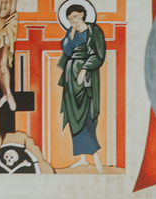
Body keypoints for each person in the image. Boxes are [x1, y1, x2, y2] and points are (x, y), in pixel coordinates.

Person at [58, 4, 107, 172]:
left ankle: (95, 155)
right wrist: (71, 34)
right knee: (74, 115)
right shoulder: (71, 33)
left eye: (75, 16)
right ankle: (83, 159)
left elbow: (99, 55)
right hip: (70, 76)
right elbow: (67, 51)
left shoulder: (95, 31)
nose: (73, 20)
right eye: (70, 19)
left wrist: (84, 70)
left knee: (87, 113)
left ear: (82, 15)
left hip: (87, 76)